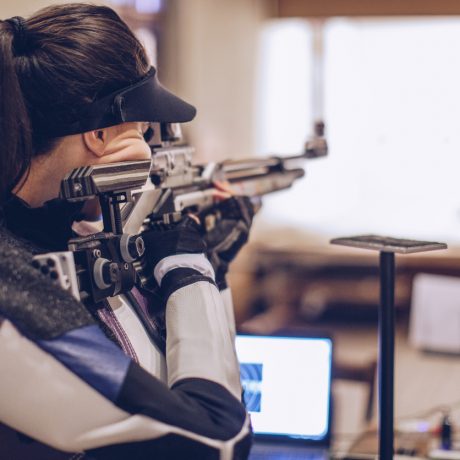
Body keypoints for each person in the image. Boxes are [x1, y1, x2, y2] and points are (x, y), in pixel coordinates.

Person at [0, 3, 254, 459]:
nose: (151, 148)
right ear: (103, 135)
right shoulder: (12, 282)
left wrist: (213, 269)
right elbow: (216, 439)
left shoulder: (58, 232)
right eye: (142, 129)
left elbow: (144, 375)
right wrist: (190, 274)